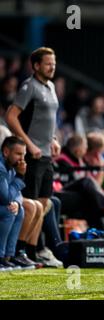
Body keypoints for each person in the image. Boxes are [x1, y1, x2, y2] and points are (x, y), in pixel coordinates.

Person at [5, 47, 61, 219]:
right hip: (32, 156)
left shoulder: (51, 86)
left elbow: (47, 118)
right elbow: (11, 116)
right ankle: (23, 246)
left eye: (54, 64)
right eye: (47, 64)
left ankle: (35, 246)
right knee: (30, 205)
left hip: (46, 155)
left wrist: (53, 138)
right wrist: (29, 145)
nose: (52, 67)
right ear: (36, 66)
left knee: (44, 203)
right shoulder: (29, 86)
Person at [0, 136, 27, 270]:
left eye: (23, 154)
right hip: (2, 204)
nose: (22, 159)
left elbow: (17, 194)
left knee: (19, 210)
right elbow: (5, 198)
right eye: (18, 154)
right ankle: (1, 257)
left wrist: (16, 202)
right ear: (6, 152)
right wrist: (20, 176)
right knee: (8, 211)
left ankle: (7, 257)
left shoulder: (10, 165)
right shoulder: (0, 167)